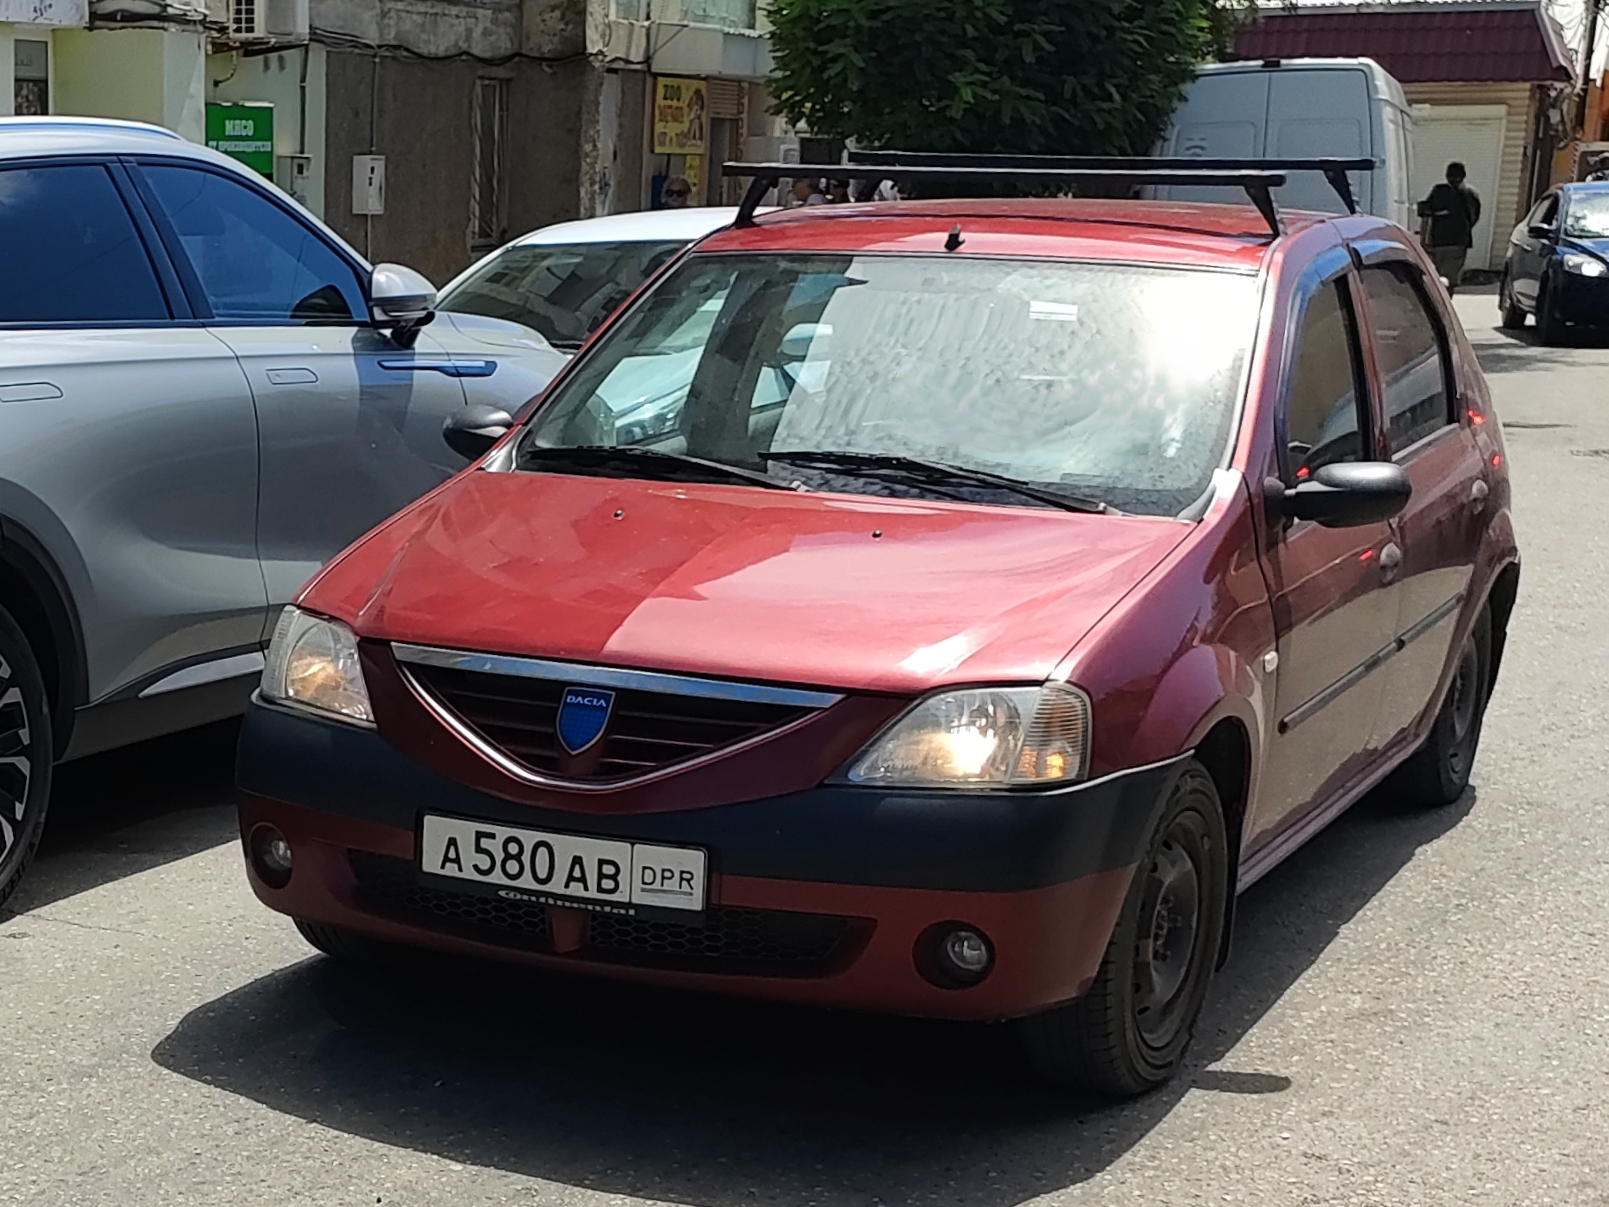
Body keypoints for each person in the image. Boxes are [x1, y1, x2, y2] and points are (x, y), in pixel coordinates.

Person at [1417, 162, 1482, 294]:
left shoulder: (1440, 191)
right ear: (1464, 176)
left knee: (1434, 277)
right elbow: (1474, 217)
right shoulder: (1471, 195)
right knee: (1449, 280)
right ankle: (1446, 305)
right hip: (1458, 242)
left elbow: (1425, 211)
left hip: (1438, 241)